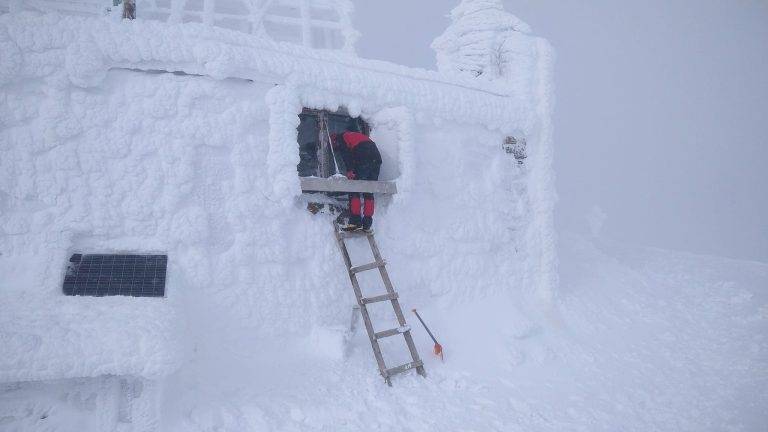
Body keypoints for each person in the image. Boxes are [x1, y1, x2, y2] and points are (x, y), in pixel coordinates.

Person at [333, 121, 382, 232]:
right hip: (376, 159)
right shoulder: (354, 136)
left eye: (335, 147)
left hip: (364, 157)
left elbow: (346, 155)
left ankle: (355, 222)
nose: (337, 149)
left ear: (335, 141)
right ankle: (367, 223)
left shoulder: (342, 138)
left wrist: (350, 170)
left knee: (354, 189)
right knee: (368, 191)